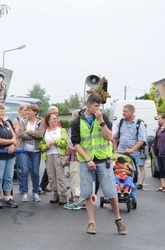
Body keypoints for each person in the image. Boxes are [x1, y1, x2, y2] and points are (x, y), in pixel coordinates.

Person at [71, 93, 127, 235]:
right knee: (87, 192)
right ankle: (91, 223)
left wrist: (101, 121)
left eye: (99, 106)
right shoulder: (77, 121)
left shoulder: (103, 117)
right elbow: (76, 144)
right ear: (88, 104)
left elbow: (109, 137)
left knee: (110, 192)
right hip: (86, 161)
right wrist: (88, 160)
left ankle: (118, 220)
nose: (98, 109)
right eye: (96, 106)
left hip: (103, 160)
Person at [112, 104, 146, 204]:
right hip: (120, 153)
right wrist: (115, 150)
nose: (123, 113)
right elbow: (115, 137)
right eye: (123, 111)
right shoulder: (121, 122)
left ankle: (131, 196)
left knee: (132, 174)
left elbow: (141, 140)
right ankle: (116, 192)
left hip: (133, 154)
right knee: (117, 172)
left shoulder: (139, 124)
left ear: (132, 112)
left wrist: (132, 149)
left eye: (125, 111)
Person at [0, 103, 18, 209]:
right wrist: (11, 141)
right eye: (0, 110)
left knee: (9, 177)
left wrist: (12, 145)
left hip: (10, 155)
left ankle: (8, 198)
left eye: (3, 110)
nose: (3, 112)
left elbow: (14, 136)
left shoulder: (7, 123)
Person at [39, 112, 68, 204]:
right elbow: (41, 145)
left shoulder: (61, 130)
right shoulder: (45, 132)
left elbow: (65, 142)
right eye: (53, 118)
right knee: (51, 175)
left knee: (60, 174)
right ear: (48, 120)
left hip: (58, 154)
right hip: (48, 155)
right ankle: (55, 194)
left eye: (56, 118)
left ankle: (63, 194)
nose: (56, 120)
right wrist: (46, 146)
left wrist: (55, 142)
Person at [17, 104, 44, 202]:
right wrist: (32, 134)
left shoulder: (41, 121)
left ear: (35, 112)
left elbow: (40, 134)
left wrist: (28, 131)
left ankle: (35, 193)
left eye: (30, 111)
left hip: (36, 150)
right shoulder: (23, 121)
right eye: (27, 110)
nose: (28, 112)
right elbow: (20, 134)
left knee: (35, 171)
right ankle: (24, 193)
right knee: (24, 171)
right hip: (24, 149)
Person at [63, 109, 86, 211]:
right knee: (85, 179)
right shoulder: (88, 126)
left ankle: (76, 200)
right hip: (87, 156)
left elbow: (70, 143)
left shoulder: (74, 127)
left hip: (76, 156)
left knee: (75, 179)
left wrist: (67, 155)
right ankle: (85, 200)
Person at [39, 105, 61, 194]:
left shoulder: (57, 123)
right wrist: (47, 145)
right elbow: (42, 139)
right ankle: (45, 186)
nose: (56, 115)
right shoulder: (44, 123)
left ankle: (55, 187)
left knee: (58, 172)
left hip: (58, 151)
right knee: (50, 171)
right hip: (48, 151)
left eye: (57, 113)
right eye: (54, 113)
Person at [12, 104, 28, 193]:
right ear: (20, 111)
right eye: (25, 110)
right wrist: (27, 132)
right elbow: (18, 132)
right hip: (19, 145)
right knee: (21, 167)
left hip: (29, 145)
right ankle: (22, 187)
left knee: (28, 168)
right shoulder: (17, 120)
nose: (27, 112)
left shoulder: (29, 120)